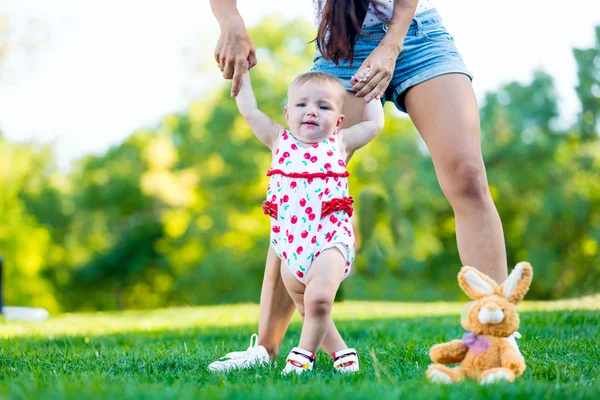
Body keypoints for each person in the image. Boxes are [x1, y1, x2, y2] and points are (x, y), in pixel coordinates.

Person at [208, 0, 514, 371]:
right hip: (341, 45)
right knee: (299, 190)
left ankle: (495, 335)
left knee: (467, 175)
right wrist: (230, 20)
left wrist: (391, 44)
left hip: (417, 35)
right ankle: (266, 350)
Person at [212, 67, 383, 374]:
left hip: (330, 240)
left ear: (339, 120)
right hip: (290, 245)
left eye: (324, 106)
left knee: (318, 302)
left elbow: (373, 123)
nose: (312, 112)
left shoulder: (339, 143)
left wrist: (372, 91)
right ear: (288, 113)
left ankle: (301, 358)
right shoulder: (279, 140)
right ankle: (344, 354)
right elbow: (250, 112)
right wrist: (242, 75)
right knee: (308, 308)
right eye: (302, 105)